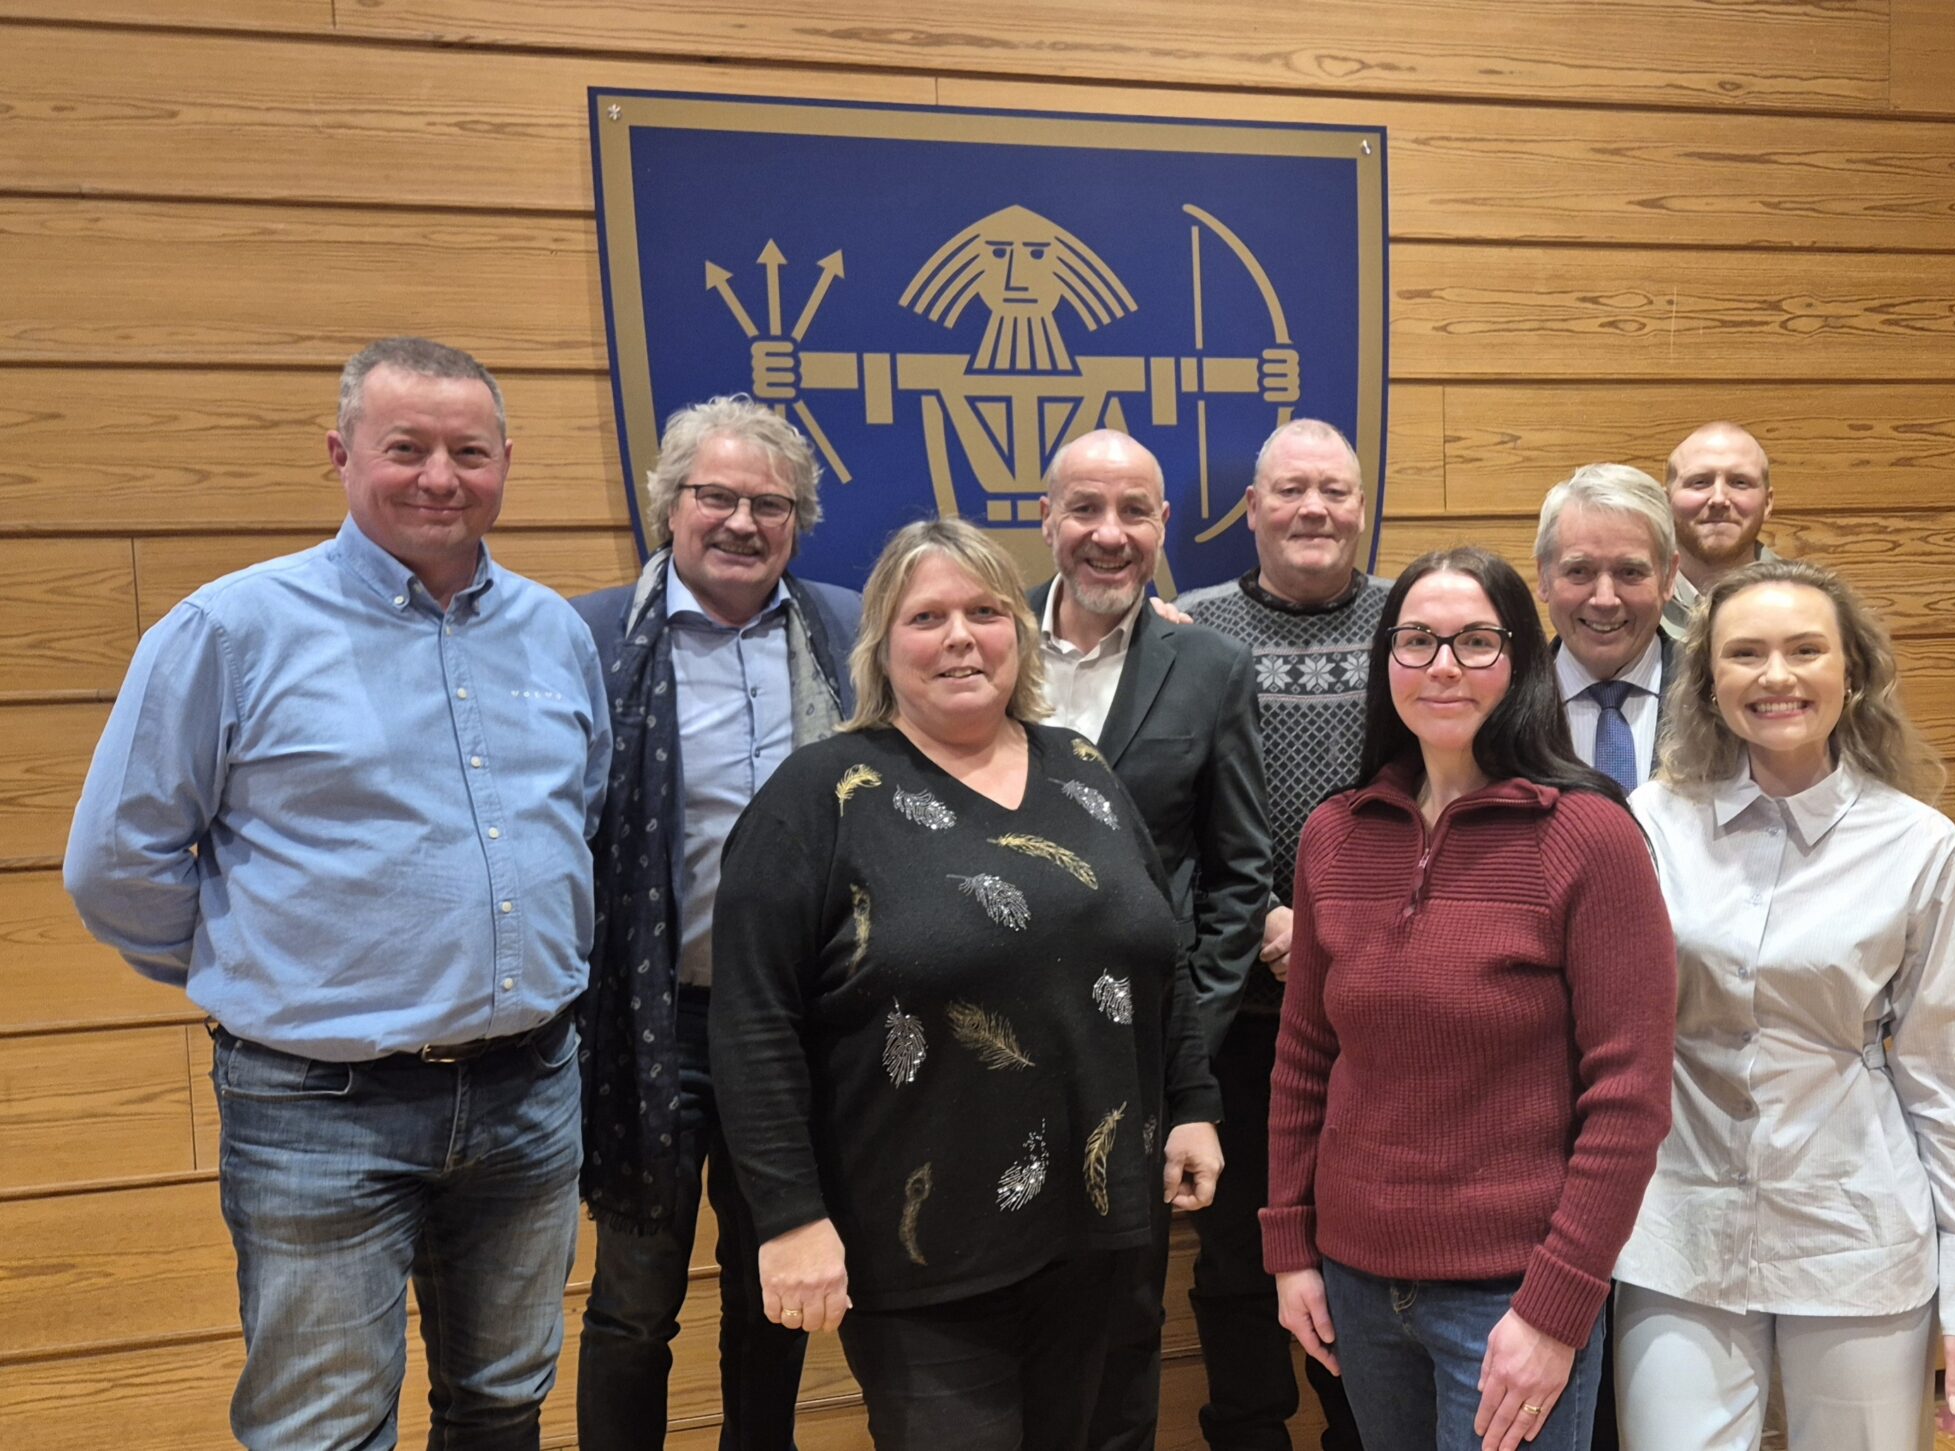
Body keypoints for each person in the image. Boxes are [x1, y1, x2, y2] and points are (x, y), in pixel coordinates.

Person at [62, 337, 611, 1448]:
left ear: (507, 462)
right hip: (318, 1106)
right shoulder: (230, 630)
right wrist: (266, 966)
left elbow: (578, 816)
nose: (440, 477)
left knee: (503, 1401)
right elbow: (117, 862)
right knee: (323, 1427)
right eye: (406, 448)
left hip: (531, 1088)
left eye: (469, 451)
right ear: (341, 452)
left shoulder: (555, 631)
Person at [708, 516, 1224, 1451]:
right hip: (926, 1255)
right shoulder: (818, 797)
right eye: (926, 617)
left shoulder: (1082, 769)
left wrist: (1191, 1102)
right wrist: (788, 1218)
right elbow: (752, 1027)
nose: (960, 637)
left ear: (1018, 634)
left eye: (985, 611)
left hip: (1105, 1231)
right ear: (881, 643)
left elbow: (1157, 951)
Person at [1265, 546, 1676, 1451]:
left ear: (1520, 660)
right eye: (1417, 639)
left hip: (1512, 1296)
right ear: (1387, 660)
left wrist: (1557, 1308)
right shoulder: (1335, 833)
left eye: (1476, 641)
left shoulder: (1590, 836)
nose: (1443, 665)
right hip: (1357, 1284)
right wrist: (1291, 1247)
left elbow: (1630, 1098)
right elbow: (1304, 1059)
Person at [1613, 558, 1955, 1450]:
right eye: (1745, 653)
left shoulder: (1918, 845)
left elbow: (1953, 1077)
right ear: (1708, 681)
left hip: (1856, 1231)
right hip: (1677, 1226)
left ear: (1852, 671)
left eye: (1805, 649)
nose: (1777, 675)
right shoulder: (1651, 823)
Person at [571, 396, 864, 1448]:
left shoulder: (846, 629)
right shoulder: (590, 637)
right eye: (717, 496)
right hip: (653, 1024)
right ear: (671, 505)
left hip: (797, 1023)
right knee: (634, 1301)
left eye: (769, 504)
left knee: (771, 1287)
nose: (742, 521)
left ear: (798, 521)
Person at [1027, 427, 1274, 1451]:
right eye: (1085, 507)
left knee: (1126, 1317)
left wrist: (1191, 1040)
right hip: (1000, 1043)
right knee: (1008, 1314)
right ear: (1045, 517)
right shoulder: (988, 642)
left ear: (1165, 524)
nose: (1110, 532)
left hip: (1145, 1052)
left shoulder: (1210, 665)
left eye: (1135, 511)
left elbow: (1238, 872)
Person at [1177, 418, 1381, 1451]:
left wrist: (1338, 927)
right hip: (1239, 1019)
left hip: (1375, 1018)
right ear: (1251, 507)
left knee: (1364, 1252)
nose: (1314, 509)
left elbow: (1444, 793)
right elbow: (1165, 806)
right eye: (1291, 489)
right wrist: (1259, 918)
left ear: (1361, 505)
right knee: (1236, 1257)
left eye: (1334, 490)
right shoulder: (1192, 628)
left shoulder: (1411, 621)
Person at [1537, 463, 1679, 794]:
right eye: (1579, 571)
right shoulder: (1503, 704)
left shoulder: (1717, 696)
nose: (1605, 599)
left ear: (1669, 577)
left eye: (1630, 572)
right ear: (1543, 577)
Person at [1660, 422, 1779, 638]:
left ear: (1767, 503)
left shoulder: (1813, 602)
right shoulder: (1631, 602)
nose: (1719, 499)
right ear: (1667, 501)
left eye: (1740, 482)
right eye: (1699, 482)